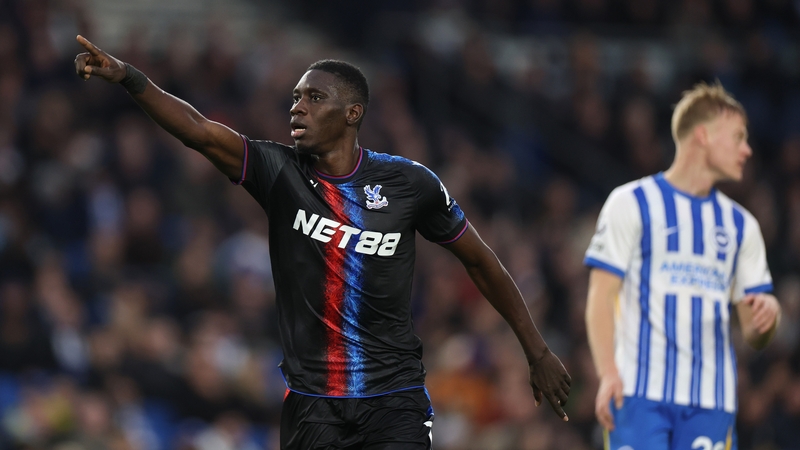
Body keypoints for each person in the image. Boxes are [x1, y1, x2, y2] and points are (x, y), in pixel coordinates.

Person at [73, 35, 571, 449]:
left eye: (314, 98)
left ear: (353, 112)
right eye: (295, 97)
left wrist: (536, 350)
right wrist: (131, 79)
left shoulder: (410, 184)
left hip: (393, 398)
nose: (297, 108)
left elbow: (482, 262)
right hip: (313, 404)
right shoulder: (277, 172)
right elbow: (200, 132)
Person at [584, 81, 782, 450]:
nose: (747, 149)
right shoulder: (630, 203)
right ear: (703, 136)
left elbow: (753, 333)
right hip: (637, 395)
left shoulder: (742, 226)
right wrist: (607, 372)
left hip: (711, 401)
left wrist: (766, 320)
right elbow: (600, 295)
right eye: (737, 137)